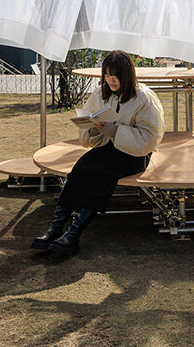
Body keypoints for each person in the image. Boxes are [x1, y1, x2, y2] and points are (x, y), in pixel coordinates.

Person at [32, 50, 165, 254]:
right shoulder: (100, 94)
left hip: (135, 155)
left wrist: (115, 131)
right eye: (107, 76)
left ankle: (73, 233)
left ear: (126, 75)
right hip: (109, 149)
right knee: (80, 169)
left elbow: (150, 139)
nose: (111, 81)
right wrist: (93, 128)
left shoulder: (144, 98)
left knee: (103, 175)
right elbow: (87, 131)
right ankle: (55, 228)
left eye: (116, 76)